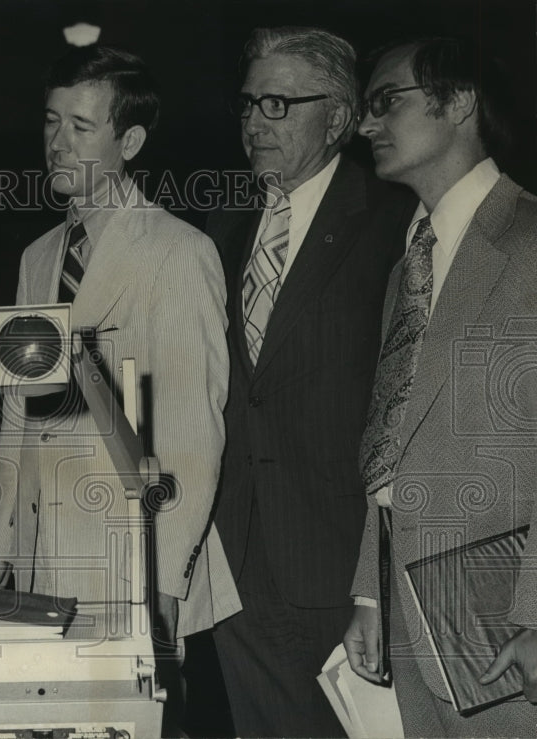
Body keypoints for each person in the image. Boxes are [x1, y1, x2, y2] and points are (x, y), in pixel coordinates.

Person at [0, 44, 239, 730]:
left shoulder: (180, 252)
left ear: (130, 140)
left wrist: (164, 584)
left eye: (81, 127)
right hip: (40, 565)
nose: (58, 143)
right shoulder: (37, 258)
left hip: (128, 564)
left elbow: (192, 435)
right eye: (50, 121)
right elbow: (18, 414)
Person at [205, 27, 415, 737]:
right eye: (247, 104)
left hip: (343, 566)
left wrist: (375, 582)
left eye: (278, 104)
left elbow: (407, 410)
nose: (254, 123)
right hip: (236, 563)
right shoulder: (224, 223)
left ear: (339, 116)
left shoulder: (393, 225)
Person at [344, 36, 537, 736]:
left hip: (507, 620)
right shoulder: (406, 267)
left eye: (385, 102)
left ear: (459, 103)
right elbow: (397, 432)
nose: (366, 126)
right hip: (411, 619)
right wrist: (371, 588)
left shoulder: (530, 241)